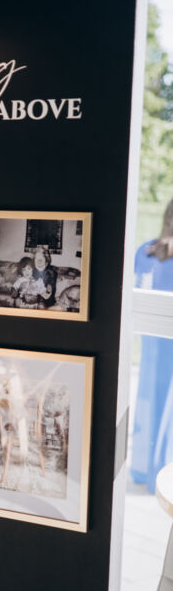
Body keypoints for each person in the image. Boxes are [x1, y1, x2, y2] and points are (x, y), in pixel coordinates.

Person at [131, 200, 173, 492]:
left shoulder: (145, 251)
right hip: (164, 343)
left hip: (150, 345)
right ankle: (162, 472)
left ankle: (145, 468)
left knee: (149, 400)